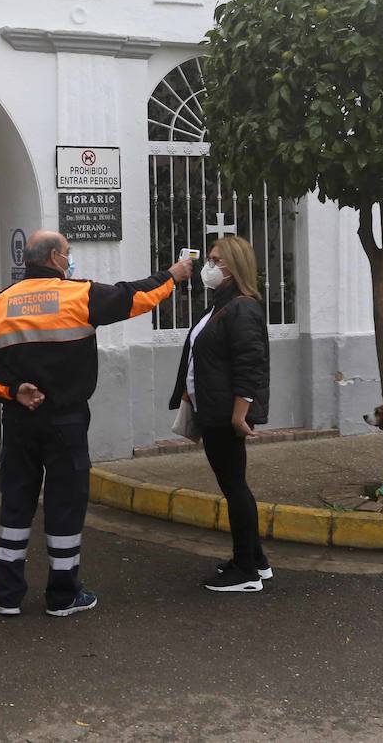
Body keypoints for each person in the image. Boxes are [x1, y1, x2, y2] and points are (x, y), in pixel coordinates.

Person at [0, 230, 192, 617]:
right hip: (65, 420)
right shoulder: (78, 294)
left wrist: (11, 389)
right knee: (65, 504)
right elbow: (134, 296)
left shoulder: (0, 304)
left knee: (16, 502)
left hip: (20, 420)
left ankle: (7, 594)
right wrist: (172, 274)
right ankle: (63, 595)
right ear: (55, 258)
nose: (70, 260)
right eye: (68, 254)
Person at [168, 236, 271, 593]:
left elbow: (250, 365)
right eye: (209, 259)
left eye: (216, 261)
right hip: (212, 408)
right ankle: (255, 559)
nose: (208, 267)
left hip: (226, 414)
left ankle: (245, 572)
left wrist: (240, 415)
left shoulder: (241, 308)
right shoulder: (222, 305)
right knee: (234, 484)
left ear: (234, 267)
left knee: (234, 487)